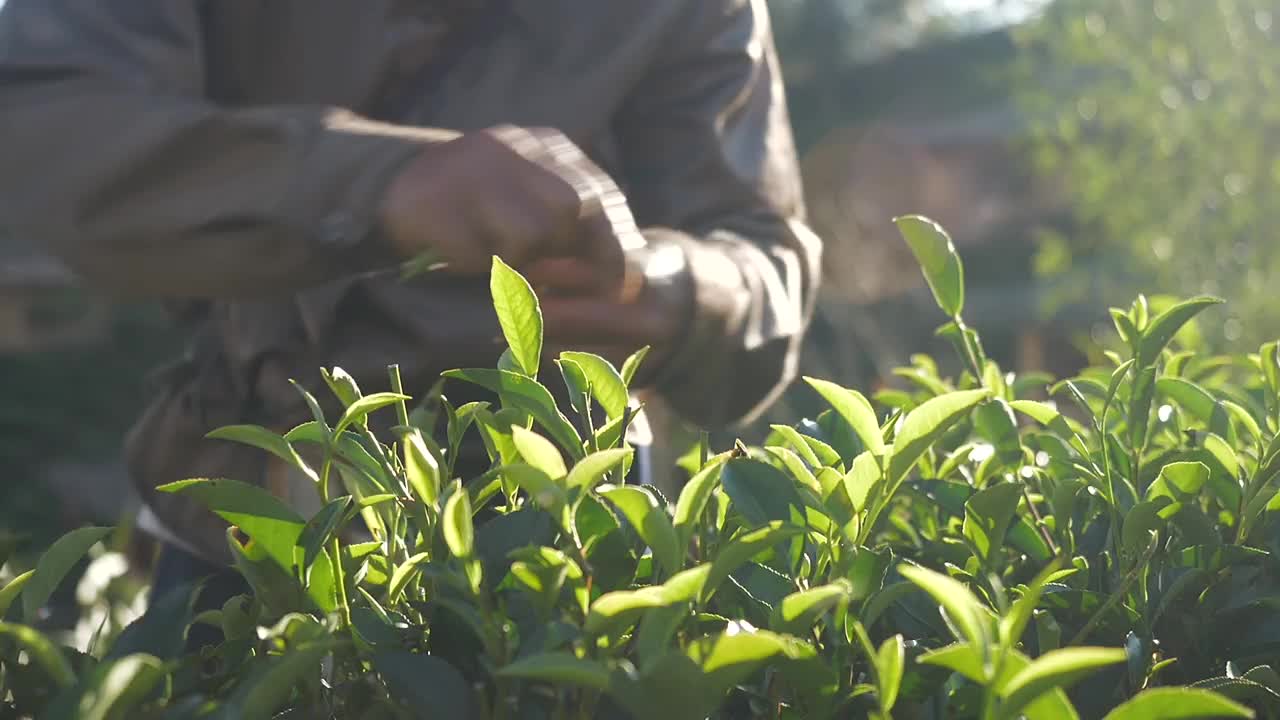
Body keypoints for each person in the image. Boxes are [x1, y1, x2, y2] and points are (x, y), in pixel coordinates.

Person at [0, 0, 822, 623]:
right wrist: (370, 182)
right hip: (237, 524)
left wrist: (686, 288)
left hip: (557, 540)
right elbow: (44, 119)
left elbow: (762, 253)